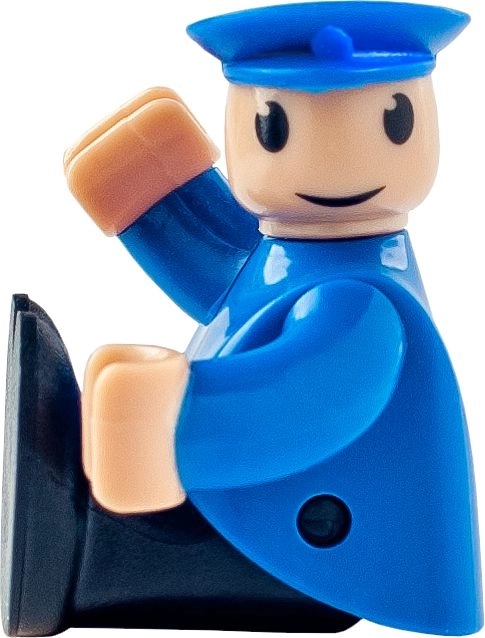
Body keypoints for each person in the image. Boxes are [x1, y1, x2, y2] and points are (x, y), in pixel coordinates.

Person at [3, 2, 482, 636]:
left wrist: (167, 426)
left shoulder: (363, 305)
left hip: (317, 564)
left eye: (395, 121)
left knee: (121, 539)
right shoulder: (306, 258)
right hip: (274, 523)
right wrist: (152, 189)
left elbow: (304, 404)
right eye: (273, 126)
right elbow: (231, 276)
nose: (334, 164)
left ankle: (73, 557)